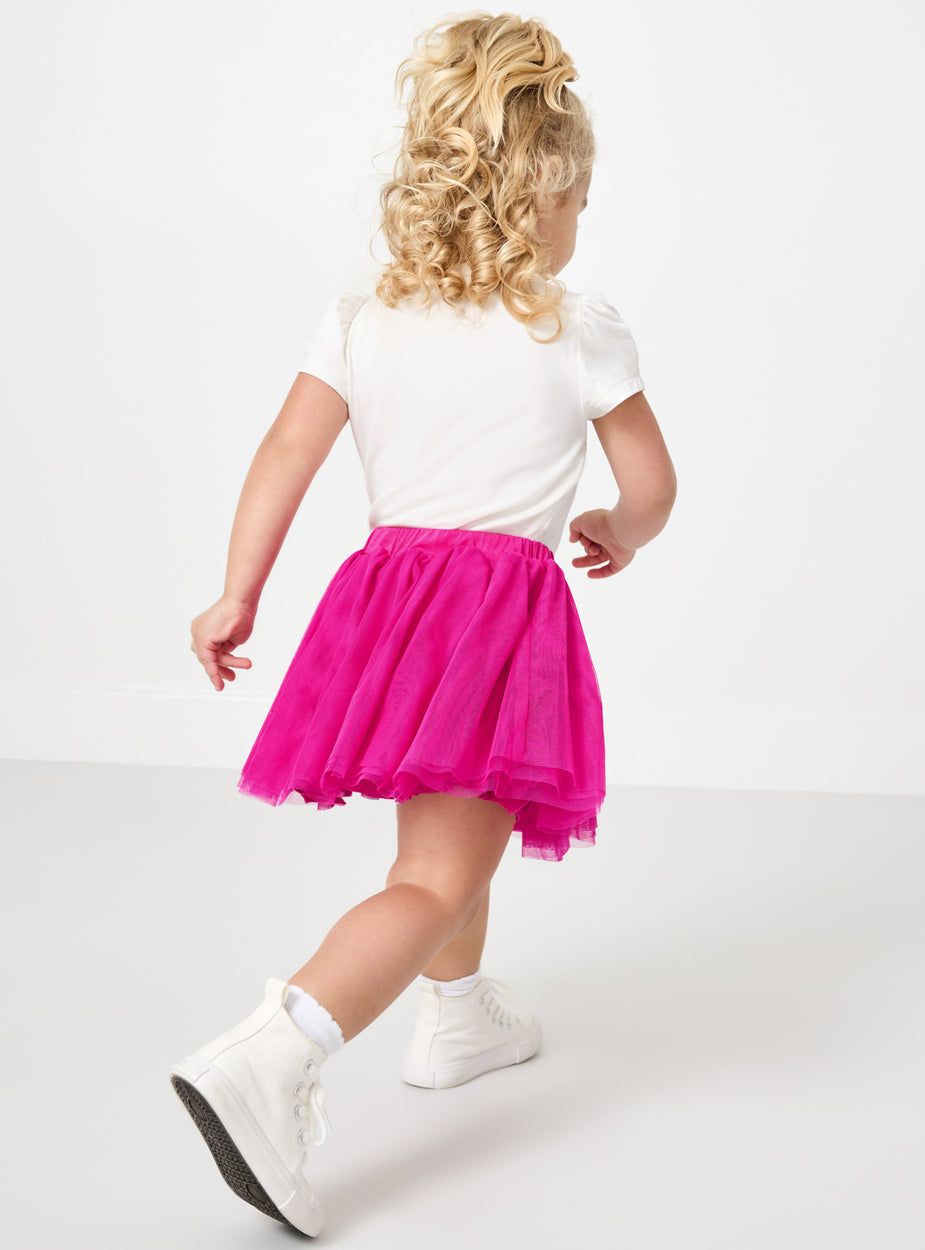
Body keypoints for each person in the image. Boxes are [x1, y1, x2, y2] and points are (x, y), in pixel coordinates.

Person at [169, 9, 676, 1238]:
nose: (580, 225)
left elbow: (285, 451)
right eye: (574, 200)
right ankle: (272, 1050)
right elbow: (654, 482)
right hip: (493, 615)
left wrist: (237, 589)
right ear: (535, 201)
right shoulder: (578, 321)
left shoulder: (362, 316)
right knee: (437, 866)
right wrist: (617, 522)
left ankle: (454, 1017)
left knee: (462, 823)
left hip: (386, 609)